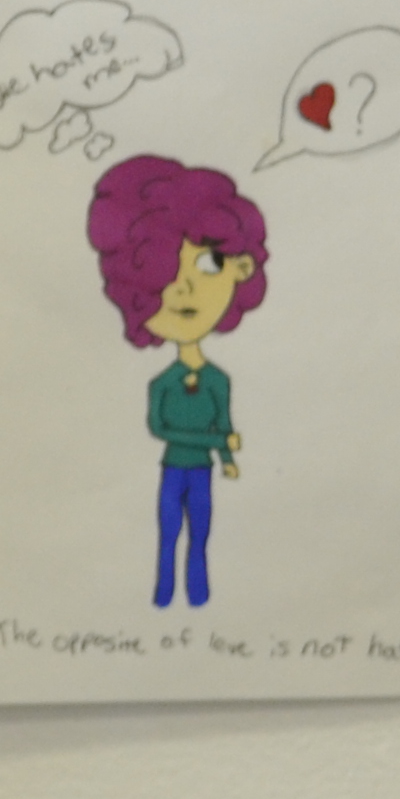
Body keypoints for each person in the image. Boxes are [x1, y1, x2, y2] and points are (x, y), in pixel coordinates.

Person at [84, 154, 264, 612]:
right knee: (168, 536)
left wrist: (227, 458)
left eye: (209, 264)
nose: (184, 289)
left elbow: (224, 422)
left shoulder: (218, 380)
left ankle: (198, 595)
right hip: (175, 470)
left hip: (201, 473)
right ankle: (163, 594)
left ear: (241, 269)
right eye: (162, 271)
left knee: (200, 535)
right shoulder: (163, 381)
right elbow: (159, 428)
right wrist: (215, 442)